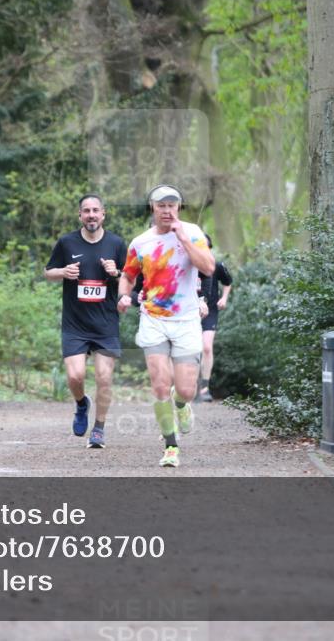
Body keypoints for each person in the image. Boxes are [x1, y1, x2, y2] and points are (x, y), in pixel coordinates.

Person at [117, 185, 215, 467]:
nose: (167, 210)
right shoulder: (141, 242)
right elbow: (128, 275)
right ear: (153, 208)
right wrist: (124, 295)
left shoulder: (193, 232)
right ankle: (171, 446)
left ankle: (182, 404)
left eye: (172, 205)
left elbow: (208, 268)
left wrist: (183, 238)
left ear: (179, 208)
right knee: (160, 385)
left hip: (186, 320)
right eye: (161, 205)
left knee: (185, 390)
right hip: (154, 318)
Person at [45, 194, 127, 448]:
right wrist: (63, 272)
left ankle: (99, 429)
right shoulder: (67, 242)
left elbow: (131, 279)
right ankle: (81, 404)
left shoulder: (116, 243)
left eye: (95, 210)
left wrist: (116, 273)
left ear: (103, 214)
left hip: (105, 324)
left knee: (104, 378)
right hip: (75, 324)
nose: (91, 215)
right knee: (76, 376)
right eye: (86, 211)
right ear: (80, 215)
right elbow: (48, 272)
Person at [196, 236, 233, 402]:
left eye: (206, 247)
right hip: (188, 311)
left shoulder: (216, 266)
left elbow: (228, 281)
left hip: (210, 311)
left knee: (206, 348)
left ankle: (204, 387)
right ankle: (187, 385)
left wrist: (224, 298)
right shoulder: (187, 265)